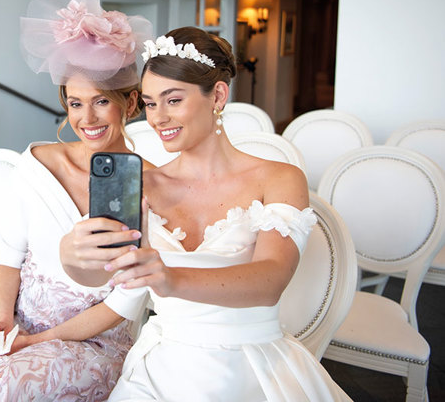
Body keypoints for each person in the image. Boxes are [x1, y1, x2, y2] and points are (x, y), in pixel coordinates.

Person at [59, 27, 351, 401]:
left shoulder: (279, 177)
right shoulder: (142, 182)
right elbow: (103, 273)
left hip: (252, 367)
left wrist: (171, 278)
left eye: (173, 100)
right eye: (149, 103)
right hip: (160, 373)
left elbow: (272, 278)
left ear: (217, 95)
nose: (158, 118)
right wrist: (72, 257)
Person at [0, 0, 154, 402]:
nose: (86, 118)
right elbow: (9, 254)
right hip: (20, 322)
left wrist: (39, 342)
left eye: (101, 100)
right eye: (75, 103)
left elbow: (126, 303)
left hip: (94, 342)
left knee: (6, 384)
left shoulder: (148, 183)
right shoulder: (36, 163)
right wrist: (0, 319)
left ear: (129, 102)